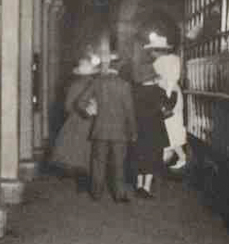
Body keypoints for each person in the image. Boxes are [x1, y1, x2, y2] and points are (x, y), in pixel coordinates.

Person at [87, 52, 137, 202]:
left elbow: (81, 102)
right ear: (119, 69)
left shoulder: (97, 82)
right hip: (119, 132)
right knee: (119, 163)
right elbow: (129, 111)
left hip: (100, 130)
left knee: (98, 163)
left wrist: (91, 110)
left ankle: (96, 194)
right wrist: (133, 131)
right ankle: (119, 194)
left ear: (108, 68)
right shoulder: (125, 85)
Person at [48, 55, 99, 183]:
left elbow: (68, 106)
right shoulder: (95, 84)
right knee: (88, 149)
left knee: (72, 147)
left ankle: (76, 174)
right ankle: (86, 174)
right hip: (92, 120)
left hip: (76, 119)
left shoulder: (74, 85)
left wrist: (74, 113)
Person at [130, 60, 168, 198]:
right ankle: (146, 188)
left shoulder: (134, 92)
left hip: (138, 128)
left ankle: (138, 186)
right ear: (153, 76)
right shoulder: (160, 92)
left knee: (138, 156)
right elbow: (167, 110)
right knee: (152, 158)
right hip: (154, 130)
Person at [153, 53, 188, 172]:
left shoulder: (171, 85)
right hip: (172, 116)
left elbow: (169, 103)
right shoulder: (172, 84)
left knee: (172, 139)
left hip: (171, 117)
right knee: (172, 140)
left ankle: (182, 160)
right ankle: (177, 160)